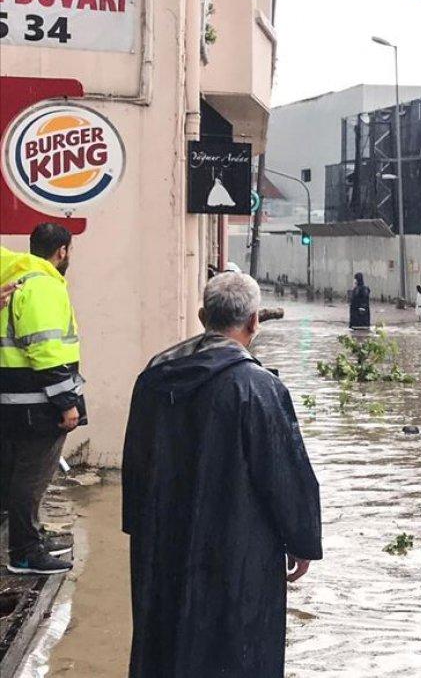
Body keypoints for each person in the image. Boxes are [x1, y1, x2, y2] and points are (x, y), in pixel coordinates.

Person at [121, 272, 322, 678]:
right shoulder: (258, 387)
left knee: (166, 639)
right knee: (235, 647)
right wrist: (302, 540)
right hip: (237, 549)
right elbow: (285, 473)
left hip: (164, 541)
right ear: (254, 322)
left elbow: (135, 463)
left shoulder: (155, 376)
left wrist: (140, 528)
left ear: (202, 317)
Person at [0, 225, 83, 576]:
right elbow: (46, 351)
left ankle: (28, 538)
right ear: (62, 251)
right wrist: (67, 402)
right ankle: (24, 552)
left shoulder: (17, 281)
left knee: (15, 475)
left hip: (16, 399)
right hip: (38, 404)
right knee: (30, 479)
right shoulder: (43, 286)